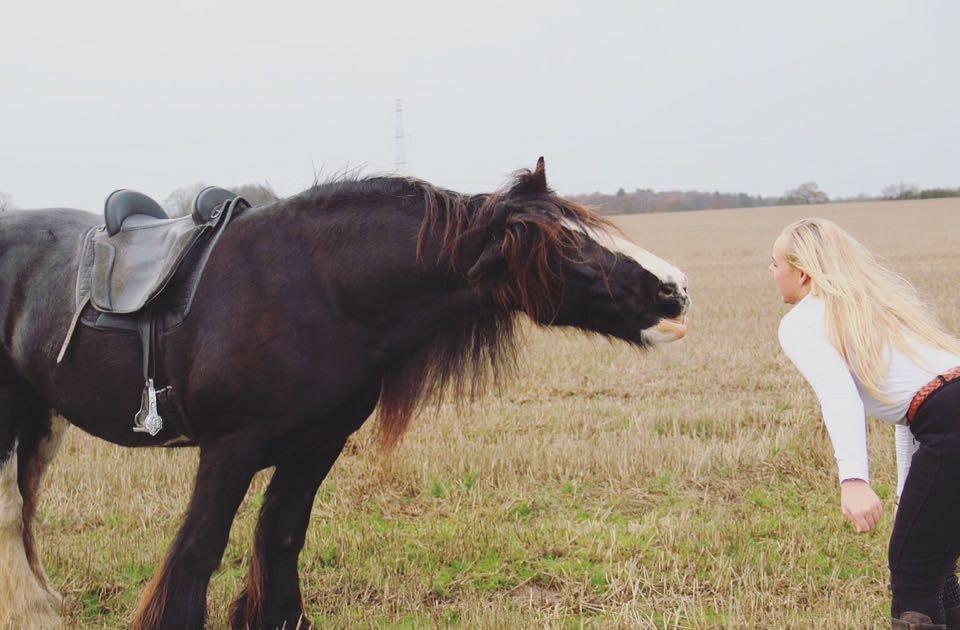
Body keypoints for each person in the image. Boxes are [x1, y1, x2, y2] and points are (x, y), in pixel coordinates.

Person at [770, 218, 960, 628]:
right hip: (947, 414)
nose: (771, 272)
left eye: (775, 263)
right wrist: (908, 491)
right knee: (936, 565)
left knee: (914, 577)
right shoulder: (874, 304)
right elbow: (914, 407)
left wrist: (853, 479)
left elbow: (838, 395)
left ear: (802, 274)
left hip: (950, 420)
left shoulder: (802, 322)